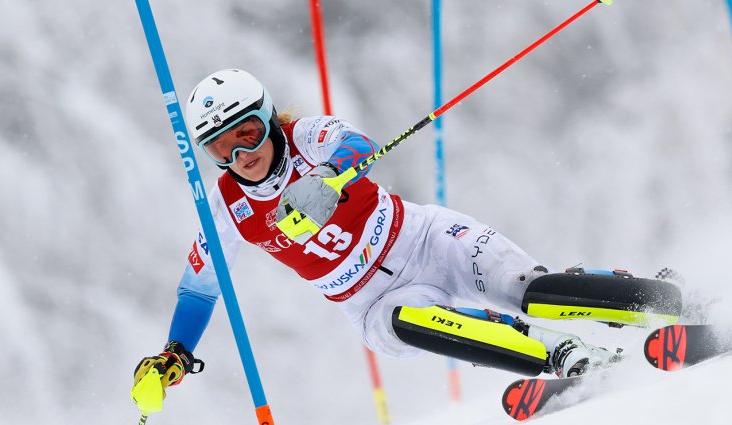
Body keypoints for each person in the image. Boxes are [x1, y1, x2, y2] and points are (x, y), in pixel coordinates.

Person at [130, 69, 676, 413]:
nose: (240, 154)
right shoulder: (226, 206)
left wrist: (327, 180)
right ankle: (566, 357)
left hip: (425, 237)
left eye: (246, 132)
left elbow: (356, 141)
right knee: (413, 323)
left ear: (268, 120)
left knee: (536, 292)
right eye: (220, 146)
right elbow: (199, 290)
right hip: (372, 302)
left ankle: (658, 300)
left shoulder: (303, 137)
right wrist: (173, 355)